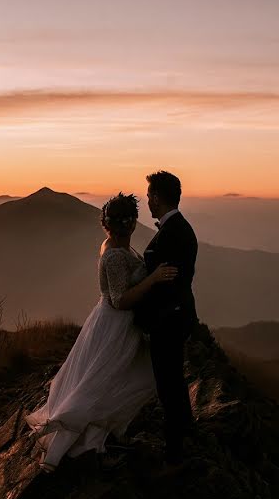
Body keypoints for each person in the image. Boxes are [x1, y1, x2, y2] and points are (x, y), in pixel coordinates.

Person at [25, 192, 178, 471]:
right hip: (116, 326)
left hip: (107, 322)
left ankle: (101, 435)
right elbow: (121, 300)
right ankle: (91, 443)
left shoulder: (113, 246)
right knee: (105, 381)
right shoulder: (117, 255)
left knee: (103, 379)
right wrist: (153, 279)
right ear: (129, 224)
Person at [134, 170, 199, 464]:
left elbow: (167, 285)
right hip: (175, 317)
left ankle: (175, 452)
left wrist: (149, 316)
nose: (147, 201)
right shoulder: (177, 229)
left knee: (168, 384)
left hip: (168, 319)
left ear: (158, 198)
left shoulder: (174, 234)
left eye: (149, 196)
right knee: (173, 379)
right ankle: (186, 432)